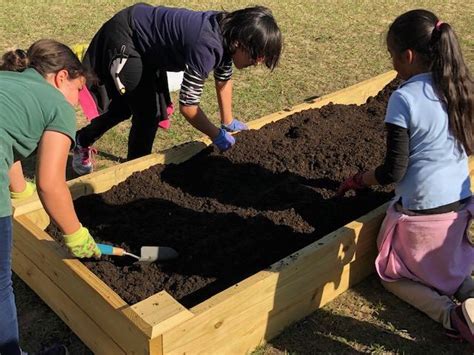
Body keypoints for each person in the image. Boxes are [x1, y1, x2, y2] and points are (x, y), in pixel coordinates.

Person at [338, 9, 474, 344]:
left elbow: (392, 171)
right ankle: (469, 290)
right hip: (460, 209)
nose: (392, 65)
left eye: (392, 57)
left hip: (422, 218)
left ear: (408, 56)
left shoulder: (404, 97)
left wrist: (358, 179)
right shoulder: (458, 86)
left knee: (391, 274)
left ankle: (451, 315)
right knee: (449, 267)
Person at [72, 3, 282, 175]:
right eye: (256, 55)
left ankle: (82, 139)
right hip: (127, 36)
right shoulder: (207, 45)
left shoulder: (228, 33)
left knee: (136, 107)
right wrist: (216, 135)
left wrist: (228, 122)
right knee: (145, 113)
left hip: (148, 45)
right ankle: (134, 172)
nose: (257, 62)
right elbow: (189, 106)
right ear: (240, 42)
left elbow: (224, 79)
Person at [0, 39, 101, 355]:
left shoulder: (8, 81)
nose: (75, 102)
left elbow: (8, 136)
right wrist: (76, 234)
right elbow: (50, 184)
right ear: (61, 77)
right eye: (77, 91)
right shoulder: (57, 104)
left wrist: (18, 189)